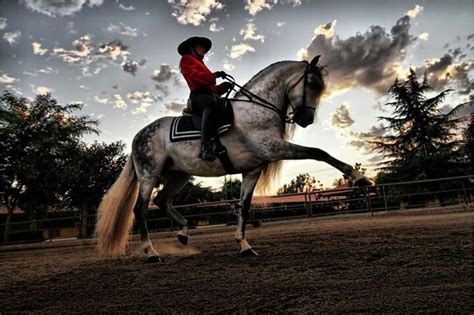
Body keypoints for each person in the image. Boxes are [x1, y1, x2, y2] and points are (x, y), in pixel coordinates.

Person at [178, 36, 233, 161]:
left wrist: (223, 87)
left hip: (208, 94)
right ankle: (205, 147)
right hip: (198, 95)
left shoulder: (201, 63)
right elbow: (195, 77)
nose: (204, 50)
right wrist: (214, 75)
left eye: (205, 48)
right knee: (211, 105)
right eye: (201, 46)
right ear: (192, 48)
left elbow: (211, 88)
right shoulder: (186, 59)